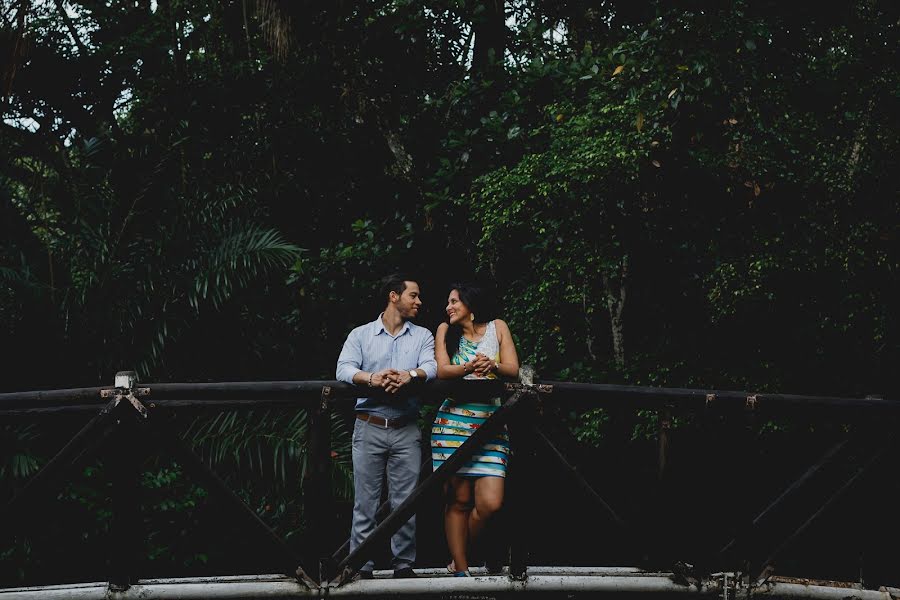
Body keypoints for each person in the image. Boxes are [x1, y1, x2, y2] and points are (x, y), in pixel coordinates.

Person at [336, 274, 438, 579]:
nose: (419, 302)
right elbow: (343, 368)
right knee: (365, 501)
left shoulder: (423, 336)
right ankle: (361, 566)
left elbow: (432, 367)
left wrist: (410, 375)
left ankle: (403, 566)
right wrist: (372, 378)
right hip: (368, 426)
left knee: (405, 502)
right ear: (394, 296)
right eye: (413, 296)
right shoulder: (361, 334)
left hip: (406, 428)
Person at [431, 283, 520, 577]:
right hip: (453, 425)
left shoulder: (498, 327)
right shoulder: (446, 331)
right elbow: (443, 370)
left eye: (454, 301)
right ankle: (461, 570)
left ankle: (460, 555)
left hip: (492, 425)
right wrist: (468, 368)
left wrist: (491, 363)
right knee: (458, 500)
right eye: (448, 302)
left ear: (470, 303)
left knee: (490, 503)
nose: (449, 307)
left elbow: (513, 368)